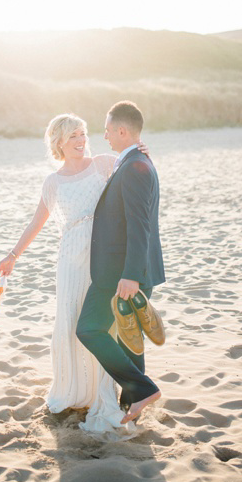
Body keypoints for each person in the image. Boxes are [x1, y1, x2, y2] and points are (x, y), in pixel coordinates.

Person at [0, 113, 149, 433]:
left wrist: (140, 152)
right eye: (72, 137)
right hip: (70, 259)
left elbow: (137, 172)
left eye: (82, 134)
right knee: (69, 321)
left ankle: (102, 394)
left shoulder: (104, 163)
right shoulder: (53, 182)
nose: (80, 141)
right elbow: (37, 222)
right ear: (59, 143)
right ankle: (73, 390)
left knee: (100, 326)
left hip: (104, 254)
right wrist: (12, 255)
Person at [76, 101, 166, 424]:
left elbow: (139, 225)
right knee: (130, 341)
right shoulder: (135, 161)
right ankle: (133, 407)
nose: (104, 135)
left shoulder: (135, 167)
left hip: (123, 273)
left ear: (123, 131)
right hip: (127, 271)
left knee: (88, 328)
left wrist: (130, 276)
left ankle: (141, 390)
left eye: (108, 129)